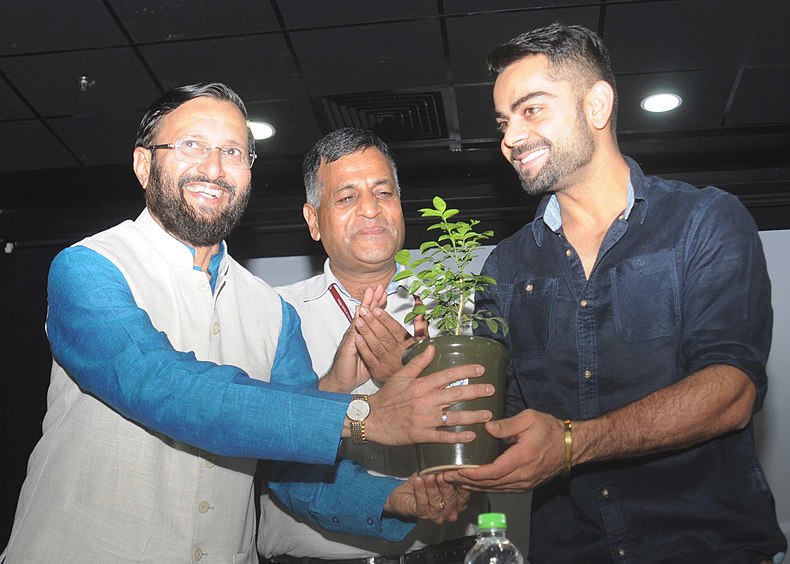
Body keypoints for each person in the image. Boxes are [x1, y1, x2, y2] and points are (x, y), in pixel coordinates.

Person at [1, 83, 497, 564]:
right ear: (143, 163)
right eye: (192, 145)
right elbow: (159, 383)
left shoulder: (271, 311)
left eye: (234, 152)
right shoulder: (90, 266)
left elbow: (289, 468)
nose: (215, 168)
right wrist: (361, 415)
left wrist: (395, 500)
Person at [442, 24, 788, 563]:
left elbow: (732, 390)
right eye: (504, 122)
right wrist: (423, 379)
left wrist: (572, 443)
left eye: (531, 110)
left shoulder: (702, 221)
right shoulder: (505, 266)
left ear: (598, 104)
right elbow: (500, 421)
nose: (510, 138)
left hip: (707, 549)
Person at [258, 128, 484, 564]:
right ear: (312, 219)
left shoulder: (456, 307)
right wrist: (333, 386)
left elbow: (489, 426)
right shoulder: (272, 312)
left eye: (384, 192)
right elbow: (267, 442)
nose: (370, 210)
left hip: (444, 550)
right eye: (346, 198)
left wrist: (418, 375)